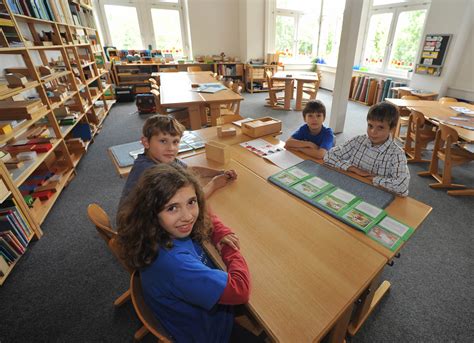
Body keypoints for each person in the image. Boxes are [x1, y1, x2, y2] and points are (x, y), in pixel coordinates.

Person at [117, 165, 251, 343]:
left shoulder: (157, 232)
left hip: (193, 314)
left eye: (191, 202)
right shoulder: (174, 265)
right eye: (172, 208)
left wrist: (220, 232)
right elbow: (239, 290)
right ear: (151, 212)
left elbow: (203, 211)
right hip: (213, 333)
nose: (188, 216)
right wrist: (230, 249)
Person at [119, 114, 237, 208]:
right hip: (141, 231)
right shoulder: (152, 172)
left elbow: (189, 170)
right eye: (163, 141)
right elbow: (190, 201)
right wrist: (214, 184)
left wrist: (219, 172)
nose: (171, 148)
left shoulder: (160, 158)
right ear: (146, 142)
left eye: (175, 142)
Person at [324, 101, 410, 196]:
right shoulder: (359, 140)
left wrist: (372, 178)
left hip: (377, 194)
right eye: (370, 126)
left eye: (380, 127)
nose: (373, 132)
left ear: (392, 129)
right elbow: (329, 155)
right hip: (352, 187)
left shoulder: (397, 154)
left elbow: (402, 186)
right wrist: (353, 169)